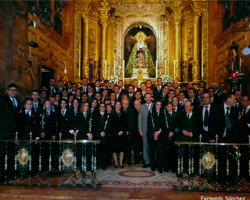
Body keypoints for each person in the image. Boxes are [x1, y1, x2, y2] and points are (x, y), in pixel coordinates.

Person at [0, 83, 20, 182]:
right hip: (2, 133)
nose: (13, 91)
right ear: (7, 91)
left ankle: (10, 175)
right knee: (1, 155)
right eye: (11, 90)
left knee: (11, 155)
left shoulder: (17, 102)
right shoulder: (2, 100)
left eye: (15, 90)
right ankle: (1, 176)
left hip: (12, 134)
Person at [147, 100, 164, 173]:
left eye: (160, 105)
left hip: (160, 134)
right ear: (155, 105)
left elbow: (163, 124)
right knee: (152, 151)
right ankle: (153, 166)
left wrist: (158, 132)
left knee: (159, 151)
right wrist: (154, 134)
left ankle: (159, 166)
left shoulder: (163, 113)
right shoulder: (150, 113)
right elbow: (149, 124)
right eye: (157, 105)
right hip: (151, 134)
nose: (158, 106)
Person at [109, 101, 127, 168]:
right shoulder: (112, 113)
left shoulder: (124, 113)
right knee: (114, 148)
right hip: (114, 133)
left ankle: (121, 163)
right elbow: (111, 124)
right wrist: (117, 131)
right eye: (117, 104)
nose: (118, 105)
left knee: (122, 148)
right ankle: (116, 162)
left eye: (119, 104)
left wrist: (122, 130)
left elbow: (125, 123)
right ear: (115, 105)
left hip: (122, 133)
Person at [93, 103, 110, 170]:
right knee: (97, 150)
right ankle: (97, 164)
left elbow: (108, 125)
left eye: (103, 107)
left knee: (104, 150)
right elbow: (95, 125)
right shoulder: (96, 115)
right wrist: (100, 132)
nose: (102, 108)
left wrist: (104, 132)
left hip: (105, 135)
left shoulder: (107, 115)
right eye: (101, 107)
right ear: (99, 108)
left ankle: (103, 164)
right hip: (98, 135)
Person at [138, 93, 153, 168]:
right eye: (146, 97)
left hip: (153, 130)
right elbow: (140, 119)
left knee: (153, 145)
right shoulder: (142, 107)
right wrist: (140, 130)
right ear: (144, 99)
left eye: (149, 97)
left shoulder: (155, 106)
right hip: (144, 129)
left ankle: (153, 160)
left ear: (151, 98)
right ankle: (147, 161)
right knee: (145, 145)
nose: (148, 99)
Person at [122, 99, 136, 165]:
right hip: (122, 132)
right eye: (124, 103)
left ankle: (129, 160)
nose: (125, 105)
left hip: (130, 132)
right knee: (123, 146)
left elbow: (132, 122)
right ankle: (123, 159)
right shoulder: (120, 110)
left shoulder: (132, 111)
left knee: (129, 146)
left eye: (126, 104)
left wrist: (128, 130)